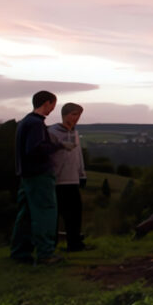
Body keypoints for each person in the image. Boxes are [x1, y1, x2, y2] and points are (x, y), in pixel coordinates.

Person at [10, 90, 74, 265]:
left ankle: (20, 252)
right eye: (52, 105)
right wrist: (58, 145)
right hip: (39, 175)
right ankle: (46, 254)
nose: (52, 109)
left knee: (26, 215)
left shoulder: (25, 122)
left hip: (27, 176)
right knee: (45, 213)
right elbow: (35, 149)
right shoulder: (36, 124)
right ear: (47, 103)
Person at [48, 103, 91, 252]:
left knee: (74, 214)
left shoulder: (75, 133)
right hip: (57, 180)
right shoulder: (51, 132)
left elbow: (78, 155)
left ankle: (74, 244)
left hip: (73, 179)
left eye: (78, 115)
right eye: (73, 114)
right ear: (65, 115)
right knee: (54, 216)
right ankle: (49, 247)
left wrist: (82, 174)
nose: (76, 118)